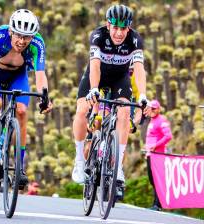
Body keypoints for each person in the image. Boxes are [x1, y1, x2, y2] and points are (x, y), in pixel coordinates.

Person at [72, 4, 148, 197]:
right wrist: (95, 89)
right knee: (81, 111)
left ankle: (118, 168)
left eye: (123, 28)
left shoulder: (135, 40)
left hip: (119, 79)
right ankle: (79, 161)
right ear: (108, 25)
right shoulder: (98, 36)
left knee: (123, 112)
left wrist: (142, 96)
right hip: (96, 76)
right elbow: (95, 65)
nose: (119, 32)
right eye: (115, 27)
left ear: (129, 28)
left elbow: (138, 69)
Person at [0, 9, 52, 188]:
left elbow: (40, 75)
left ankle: (20, 166)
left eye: (27, 37)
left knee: (22, 111)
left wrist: (45, 97)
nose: (22, 41)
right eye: (18, 35)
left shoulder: (38, 44)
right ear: (11, 31)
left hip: (18, 77)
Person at [145, 100, 172, 211]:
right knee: (152, 179)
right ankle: (156, 203)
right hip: (150, 154)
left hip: (158, 155)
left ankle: (157, 204)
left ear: (159, 109)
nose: (152, 110)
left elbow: (168, 136)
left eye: (154, 108)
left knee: (156, 179)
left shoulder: (162, 120)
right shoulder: (152, 120)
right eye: (150, 108)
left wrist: (156, 146)